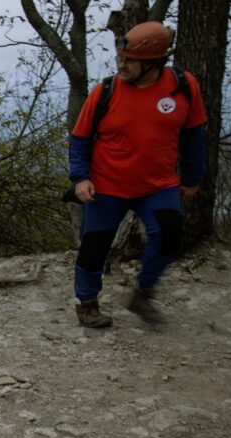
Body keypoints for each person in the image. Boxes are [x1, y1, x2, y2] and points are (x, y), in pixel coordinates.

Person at [69, 21, 206, 328]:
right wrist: (80, 177)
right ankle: (88, 303)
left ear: (154, 62)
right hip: (107, 184)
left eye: (129, 61)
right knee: (94, 248)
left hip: (157, 185)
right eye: (120, 58)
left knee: (169, 236)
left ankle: (143, 292)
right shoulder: (104, 91)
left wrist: (193, 177)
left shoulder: (183, 87)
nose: (121, 65)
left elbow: (193, 134)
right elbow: (80, 138)